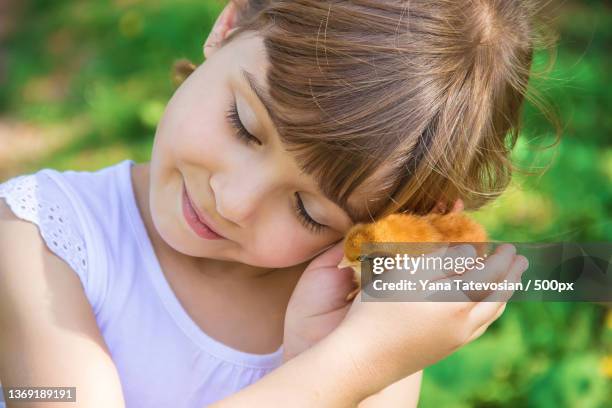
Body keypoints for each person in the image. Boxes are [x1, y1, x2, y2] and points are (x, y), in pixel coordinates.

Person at [0, 0, 546, 406]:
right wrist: (347, 368)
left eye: (309, 210)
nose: (233, 202)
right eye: (244, 126)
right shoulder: (36, 239)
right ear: (229, 24)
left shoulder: (366, 323)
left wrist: (334, 356)